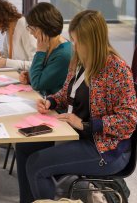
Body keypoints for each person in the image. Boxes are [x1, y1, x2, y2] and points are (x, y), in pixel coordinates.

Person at [15, 10, 137, 202]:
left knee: (36, 165)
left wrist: (85, 125)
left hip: (106, 148)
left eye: (77, 40)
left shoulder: (117, 69)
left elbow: (128, 121)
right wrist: (51, 101)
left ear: (92, 41)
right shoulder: (80, 61)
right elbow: (66, 93)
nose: (74, 45)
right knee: (25, 147)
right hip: (76, 134)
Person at [19, 2, 72, 95]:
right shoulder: (49, 45)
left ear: (43, 28)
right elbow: (40, 77)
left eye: (32, 28)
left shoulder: (63, 54)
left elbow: (37, 84)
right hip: (44, 101)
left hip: (56, 108)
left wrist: (40, 52)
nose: (31, 33)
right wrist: (29, 76)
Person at [0, 0, 36, 70]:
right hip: (16, 73)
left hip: (26, 77)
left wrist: (6, 62)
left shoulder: (25, 27)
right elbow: (8, 54)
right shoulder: (9, 28)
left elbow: (35, 64)